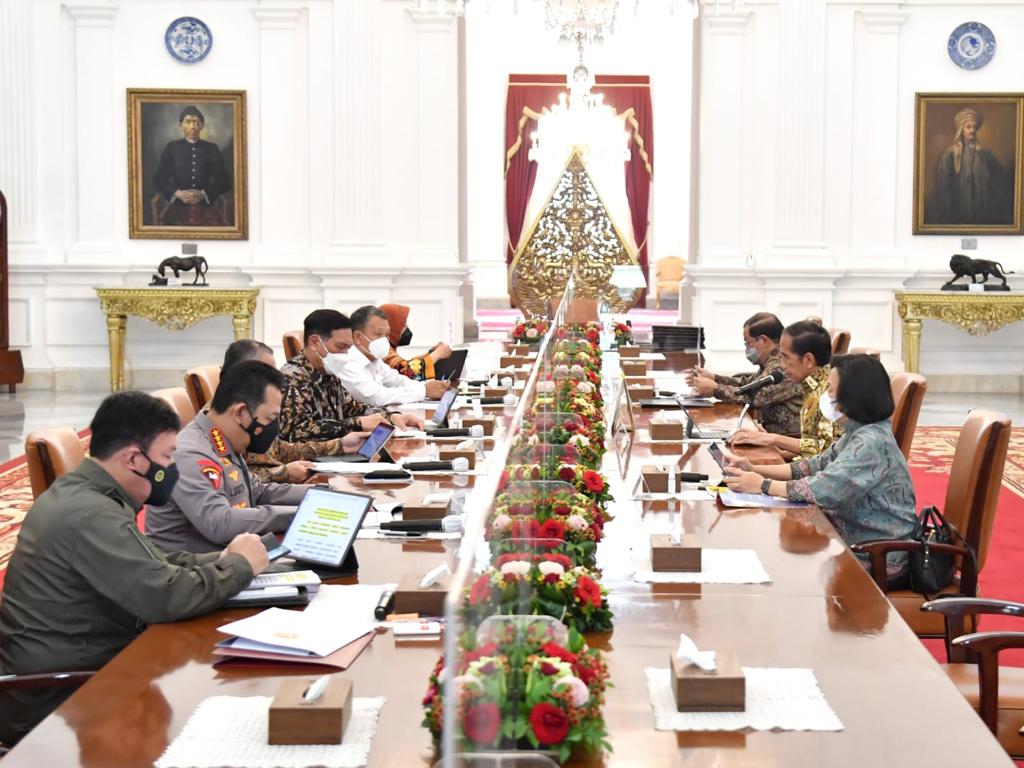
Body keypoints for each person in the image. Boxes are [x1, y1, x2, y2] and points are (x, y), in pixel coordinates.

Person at [0, 392, 267, 745]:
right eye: (167, 457)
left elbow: (151, 560)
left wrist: (220, 559)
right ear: (134, 459)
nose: (172, 468)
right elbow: (166, 596)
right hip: (61, 698)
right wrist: (238, 567)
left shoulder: (87, 494)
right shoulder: (91, 514)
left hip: (92, 670)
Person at [723, 354, 917, 585]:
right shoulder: (859, 431)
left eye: (831, 391)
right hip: (855, 541)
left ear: (853, 397)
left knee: (787, 568)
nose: (826, 396)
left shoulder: (871, 442)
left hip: (879, 556)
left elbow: (824, 489)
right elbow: (813, 466)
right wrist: (755, 469)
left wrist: (762, 486)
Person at [146, 360, 310, 554]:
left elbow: (257, 492)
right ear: (240, 413)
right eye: (270, 419)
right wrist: (300, 515)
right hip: (193, 567)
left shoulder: (223, 440)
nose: (273, 427)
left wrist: (322, 495)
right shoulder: (190, 453)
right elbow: (220, 522)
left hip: (231, 558)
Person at [220, 339, 366, 483]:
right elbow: (229, 480)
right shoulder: (222, 422)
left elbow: (280, 450)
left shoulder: (252, 411)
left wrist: (341, 445)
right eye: (266, 375)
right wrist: (284, 474)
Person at [279, 309, 424, 444]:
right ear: (315, 343)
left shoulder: (328, 371)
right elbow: (295, 433)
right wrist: (357, 424)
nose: (345, 355)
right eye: (340, 347)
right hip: (310, 460)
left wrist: (390, 416)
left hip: (338, 453)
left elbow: (352, 408)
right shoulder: (292, 378)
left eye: (348, 348)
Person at [731, 320, 841, 459]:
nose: (782, 365)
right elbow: (811, 445)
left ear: (808, 360)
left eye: (785, 357)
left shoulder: (830, 391)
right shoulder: (810, 385)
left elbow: (827, 449)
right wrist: (777, 451)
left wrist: (774, 439)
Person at [685, 312, 803, 437]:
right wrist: (714, 378)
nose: (747, 349)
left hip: (787, 439)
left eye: (748, 344)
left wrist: (715, 389)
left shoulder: (780, 365)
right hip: (770, 435)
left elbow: (755, 397)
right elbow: (749, 384)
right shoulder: (771, 361)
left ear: (763, 340)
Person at [335, 305, 451, 406]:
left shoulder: (374, 360)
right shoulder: (347, 362)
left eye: (387, 335)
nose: (384, 340)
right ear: (358, 337)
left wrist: (431, 386)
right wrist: (424, 391)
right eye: (378, 334)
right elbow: (375, 397)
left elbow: (398, 380)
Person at [932, 107, 1013, 226]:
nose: (972, 130)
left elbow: (1000, 178)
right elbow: (944, 189)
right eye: (968, 127)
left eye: (974, 127)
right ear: (961, 129)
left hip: (983, 216)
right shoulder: (949, 155)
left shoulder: (985, 154)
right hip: (957, 217)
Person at [151, 105, 230, 227]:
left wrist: (203, 194)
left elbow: (224, 181)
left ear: (202, 126)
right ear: (181, 125)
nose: (193, 126)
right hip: (177, 205)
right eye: (188, 122)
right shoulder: (172, 148)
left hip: (206, 206)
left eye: (196, 122)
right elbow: (158, 179)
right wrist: (178, 193)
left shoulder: (212, 149)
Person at [379, 303, 453, 380]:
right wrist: (437, 354)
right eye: (404, 325)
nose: (407, 329)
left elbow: (406, 364)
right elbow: (406, 371)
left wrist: (430, 353)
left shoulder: (388, 348)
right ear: (391, 327)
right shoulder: (383, 349)